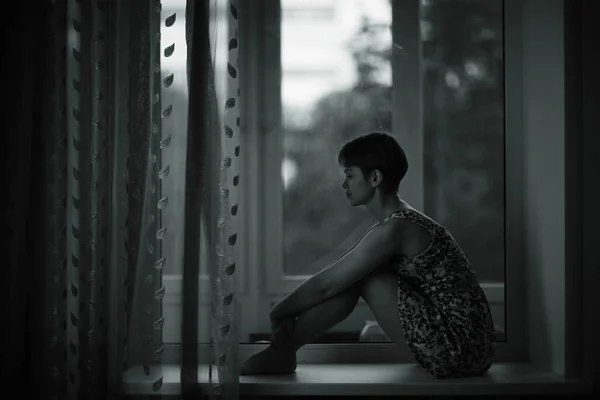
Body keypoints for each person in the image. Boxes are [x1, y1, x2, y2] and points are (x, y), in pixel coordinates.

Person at [239, 132, 496, 379]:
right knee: (359, 273)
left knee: (363, 278)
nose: (344, 185)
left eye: (349, 176)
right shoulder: (399, 223)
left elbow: (326, 286)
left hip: (458, 350)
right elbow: (335, 273)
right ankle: (282, 351)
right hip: (472, 351)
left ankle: (280, 352)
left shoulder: (397, 228)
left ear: (374, 178)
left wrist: (278, 312)